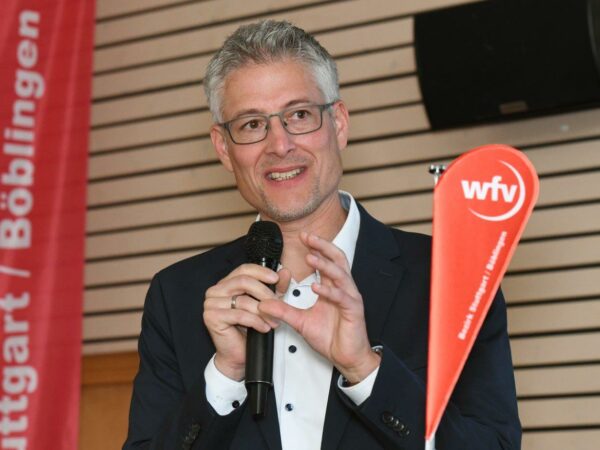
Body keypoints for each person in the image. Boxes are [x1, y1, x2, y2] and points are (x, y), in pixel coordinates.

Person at [123, 20, 521, 450]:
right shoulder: (177, 296)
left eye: (299, 115)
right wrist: (224, 375)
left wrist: (365, 370)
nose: (279, 145)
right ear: (223, 147)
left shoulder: (449, 278)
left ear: (339, 124)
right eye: (252, 124)